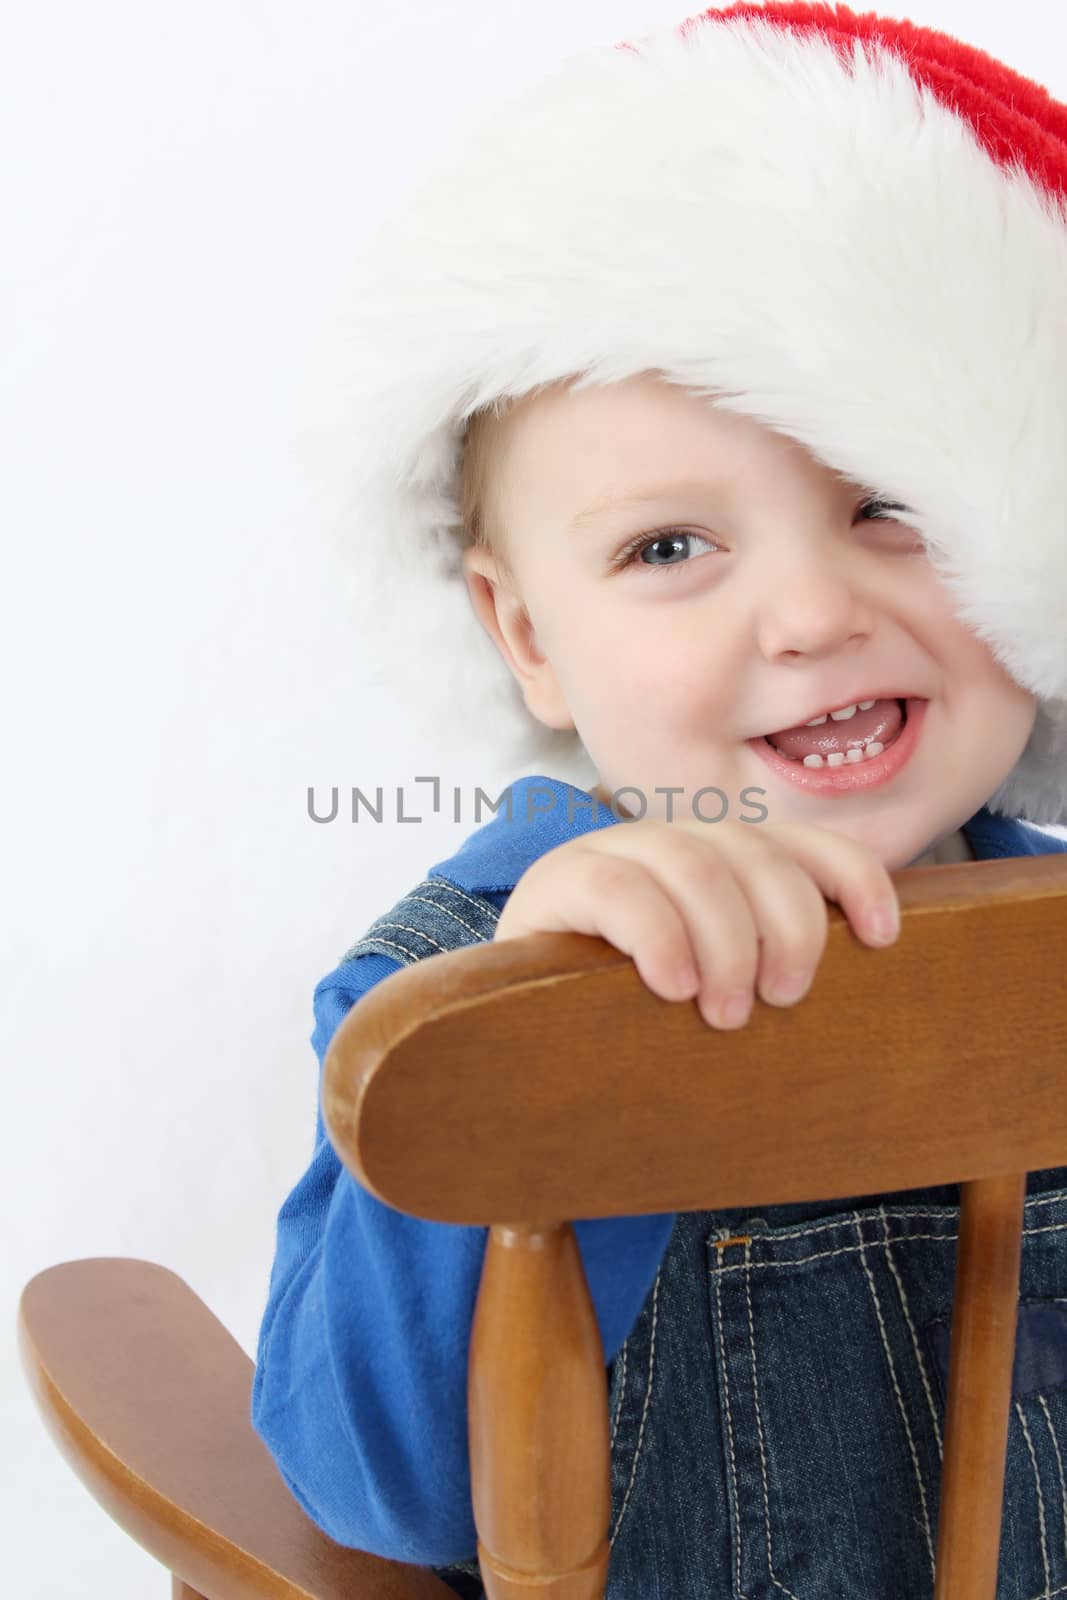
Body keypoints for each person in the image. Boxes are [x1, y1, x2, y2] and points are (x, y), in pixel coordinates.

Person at [252, 5, 1067, 1596]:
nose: (813, 616)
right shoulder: (463, 981)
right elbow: (373, 1490)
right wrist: (538, 1067)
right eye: (669, 548)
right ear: (529, 638)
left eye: (888, 505)